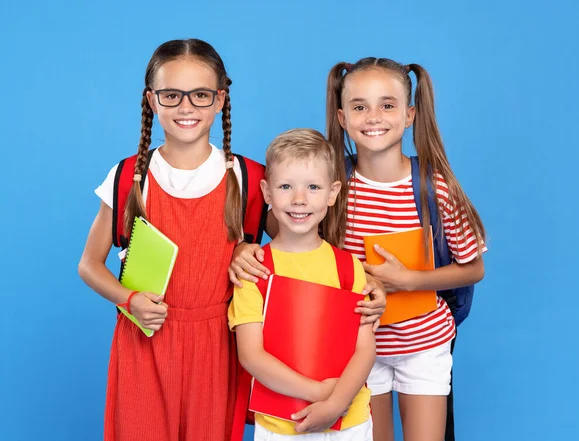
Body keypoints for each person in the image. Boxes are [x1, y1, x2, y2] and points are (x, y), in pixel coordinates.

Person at [78, 39, 265, 441]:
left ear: (220, 100)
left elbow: (294, 255)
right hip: (144, 343)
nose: (186, 107)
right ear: (152, 100)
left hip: (218, 349)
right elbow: (89, 264)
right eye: (171, 95)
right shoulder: (128, 178)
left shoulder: (249, 179)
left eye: (199, 95)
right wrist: (129, 301)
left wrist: (254, 251)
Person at [325, 58, 487, 441]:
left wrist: (410, 280)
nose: (373, 117)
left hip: (424, 344)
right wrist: (245, 250)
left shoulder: (435, 187)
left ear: (410, 114)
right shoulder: (333, 187)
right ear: (342, 117)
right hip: (357, 348)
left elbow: (473, 267)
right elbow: (290, 236)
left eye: (388, 105)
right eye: (359, 106)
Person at [229, 128, 376, 440]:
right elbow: (251, 355)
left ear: (333, 193)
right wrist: (318, 393)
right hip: (282, 426)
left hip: (350, 422)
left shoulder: (349, 267)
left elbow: (365, 349)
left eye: (312, 187)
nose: (299, 199)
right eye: (286, 187)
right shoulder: (255, 270)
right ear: (267, 193)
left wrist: (335, 404)